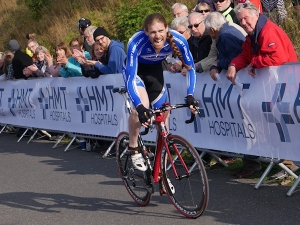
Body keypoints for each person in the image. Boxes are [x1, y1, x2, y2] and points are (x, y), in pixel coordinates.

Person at [227, 2, 298, 178]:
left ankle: (290, 165)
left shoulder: (267, 31)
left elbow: (277, 57)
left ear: (256, 15)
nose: (243, 23)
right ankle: (283, 163)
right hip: (273, 87)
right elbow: (245, 54)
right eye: (240, 20)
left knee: (284, 123)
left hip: (285, 85)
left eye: (246, 18)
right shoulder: (253, 34)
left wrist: (255, 62)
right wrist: (234, 65)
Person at [123, 13, 198, 171]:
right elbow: (130, 78)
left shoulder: (179, 40)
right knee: (140, 107)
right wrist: (140, 107)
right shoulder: (136, 42)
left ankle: (162, 171)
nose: (157, 36)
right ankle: (134, 147)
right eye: (153, 32)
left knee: (164, 115)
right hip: (136, 73)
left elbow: (191, 69)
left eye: (161, 31)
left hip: (155, 72)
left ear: (167, 29)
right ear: (146, 32)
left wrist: (190, 95)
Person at [205, 12, 245, 80]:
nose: (208, 34)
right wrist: (215, 67)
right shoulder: (226, 32)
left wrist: (219, 63)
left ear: (212, 30)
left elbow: (235, 58)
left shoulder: (225, 36)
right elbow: (222, 56)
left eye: (207, 31)